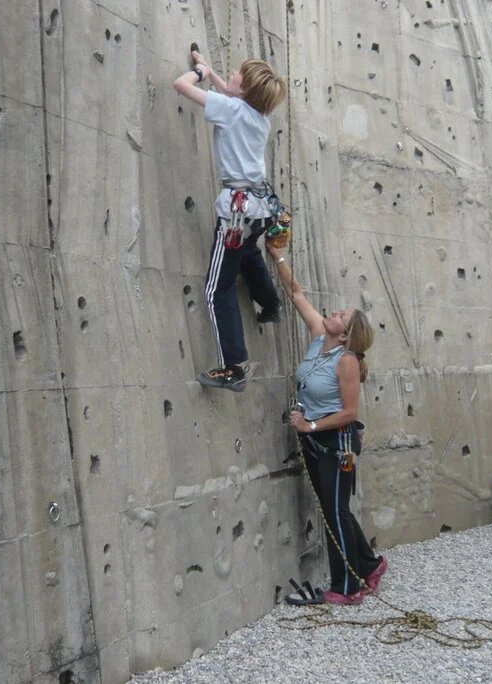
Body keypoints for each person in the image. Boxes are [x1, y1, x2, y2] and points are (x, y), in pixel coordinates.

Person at [267, 241, 387, 605]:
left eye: (340, 315)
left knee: (335, 511)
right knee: (333, 507)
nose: (333, 312)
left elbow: (350, 412)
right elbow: (296, 292)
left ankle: (347, 587)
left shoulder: (347, 360)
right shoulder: (320, 338)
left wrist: (310, 427)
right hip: (315, 438)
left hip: (338, 442)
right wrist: (278, 255)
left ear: (346, 334)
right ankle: (370, 564)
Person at [172, 51, 287, 393]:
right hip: (261, 210)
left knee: (216, 288)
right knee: (249, 255)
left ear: (244, 90)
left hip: (237, 214)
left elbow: (180, 86)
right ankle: (270, 304)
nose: (232, 74)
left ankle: (233, 367)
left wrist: (197, 72)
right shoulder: (258, 116)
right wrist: (214, 74)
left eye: (237, 74)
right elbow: (231, 98)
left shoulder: (233, 109)